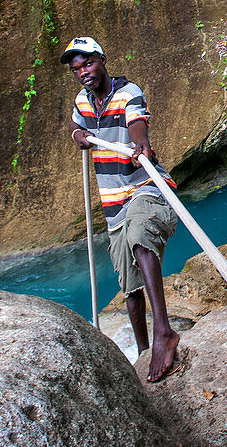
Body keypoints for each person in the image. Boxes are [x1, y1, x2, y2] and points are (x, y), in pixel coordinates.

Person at [61, 36, 180, 382]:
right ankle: (145, 352)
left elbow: (136, 123)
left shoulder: (128, 92)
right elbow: (74, 124)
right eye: (77, 68)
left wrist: (140, 143)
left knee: (142, 237)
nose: (84, 71)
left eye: (88, 63)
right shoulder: (83, 102)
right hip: (113, 204)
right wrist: (76, 136)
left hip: (145, 187)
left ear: (102, 59)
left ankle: (164, 333)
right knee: (129, 289)